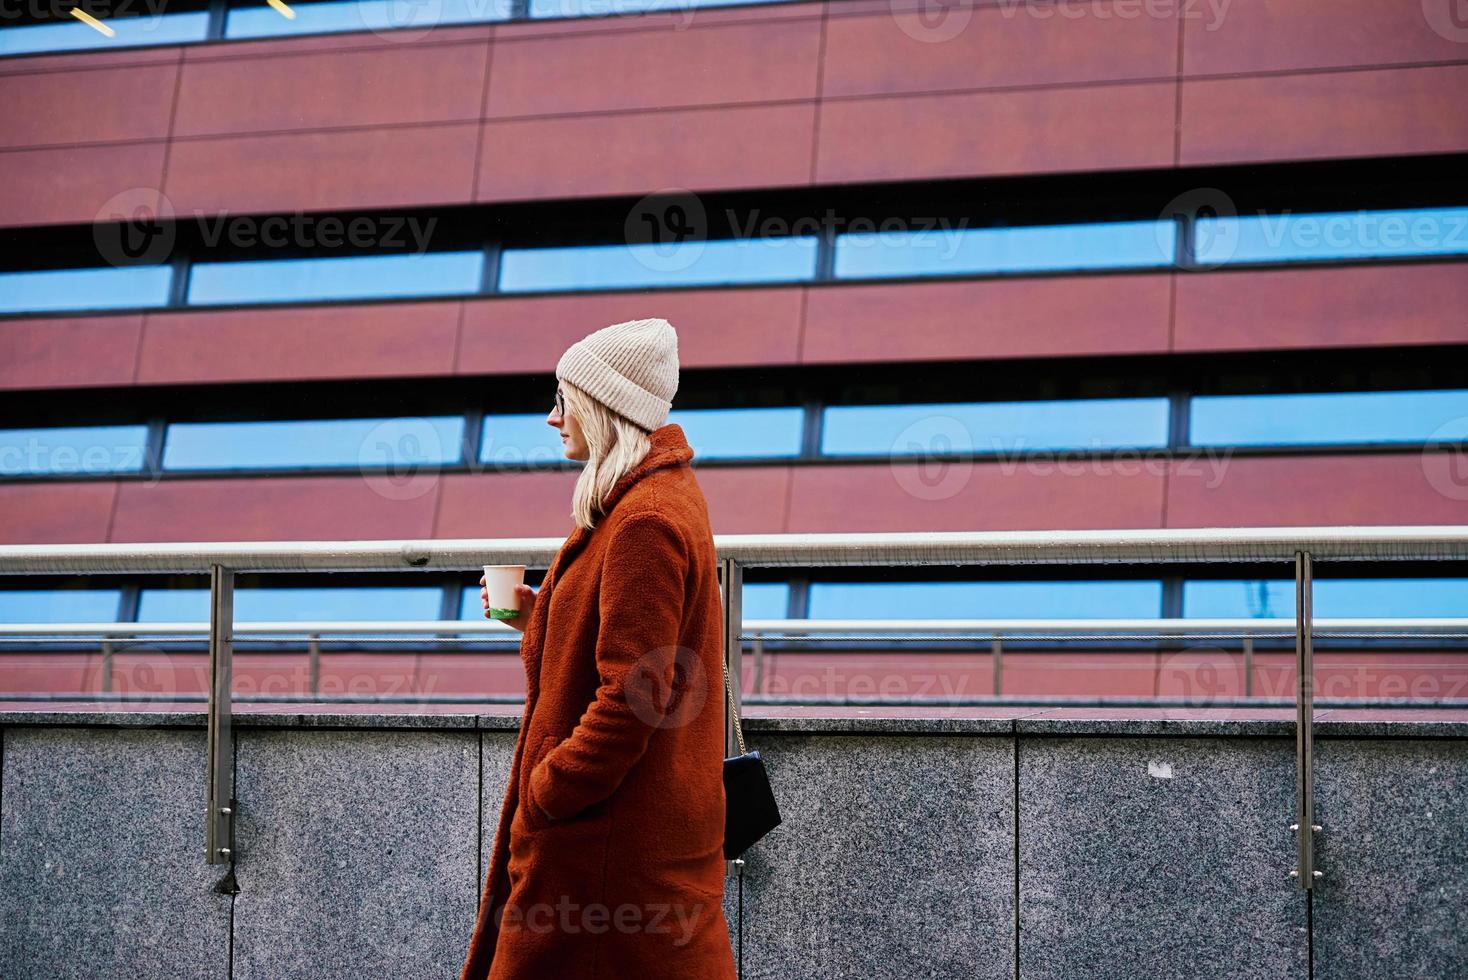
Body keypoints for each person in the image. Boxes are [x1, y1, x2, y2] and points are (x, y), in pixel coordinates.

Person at [460, 317, 738, 980]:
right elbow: (635, 649)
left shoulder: (644, 518)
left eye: (563, 399)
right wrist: (541, 619)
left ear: (602, 407)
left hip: (606, 851)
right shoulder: (648, 498)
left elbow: (637, 693)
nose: (552, 417)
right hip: (623, 844)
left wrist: (551, 789)